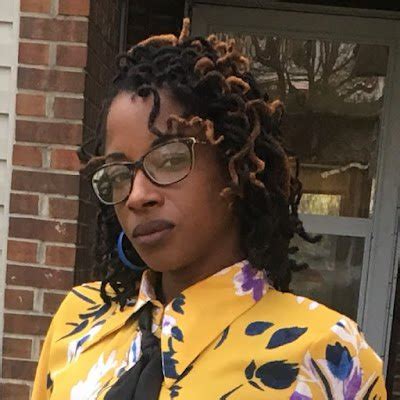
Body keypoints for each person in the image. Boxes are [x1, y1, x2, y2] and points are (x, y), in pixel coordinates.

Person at [31, 18, 386, 399]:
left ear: (235, 166)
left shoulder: (330, 357)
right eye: (119, 173)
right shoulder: (77, 322)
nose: (136, 195)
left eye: (170, 159)